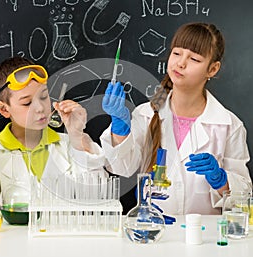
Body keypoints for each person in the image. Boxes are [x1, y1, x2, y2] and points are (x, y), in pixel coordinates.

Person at [100, 22, 252, 215]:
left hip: (205, 237)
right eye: (177, 53)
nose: (181, 63)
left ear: (212, 69)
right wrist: (119, 127)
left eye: (194, 59)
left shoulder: (230, 125)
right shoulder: (146, 114)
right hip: (153, 231)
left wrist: (222, 180)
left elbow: (244, 197)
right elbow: (122, 167)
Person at [0, 56, 106, 216]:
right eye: (27, 103)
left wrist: (77, 136)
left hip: (63, 240)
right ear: (4, 109)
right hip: (14, 241)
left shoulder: (70, 145)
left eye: (43, 97)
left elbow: (98, 197)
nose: (40, 108)